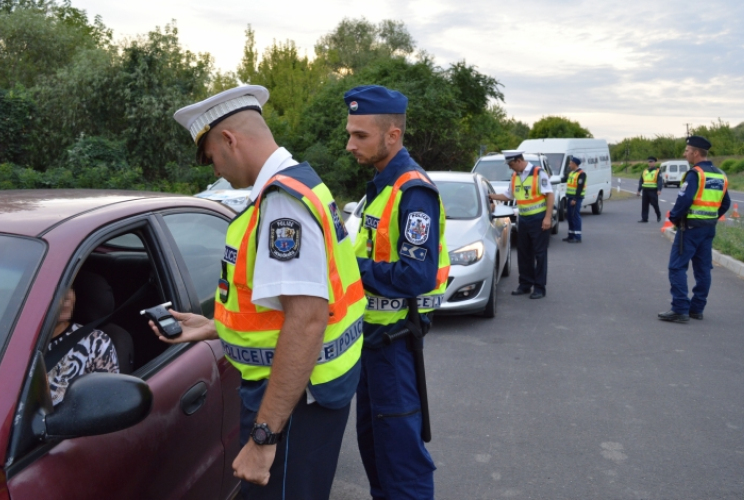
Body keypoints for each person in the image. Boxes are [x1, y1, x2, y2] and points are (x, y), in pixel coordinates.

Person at [165, 85, 365, 499]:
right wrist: (215, 327)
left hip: (291, 403)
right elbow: (278, 314)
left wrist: (263, 438)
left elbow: (307, 321)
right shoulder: (305, 184)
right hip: (313, 394)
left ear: (229, 140)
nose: (215, 170)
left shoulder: (281, 204)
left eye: (211, 158)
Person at [344, 85, 449, 500]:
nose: (349, 144)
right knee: (375, 452)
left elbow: (415, 275)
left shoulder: (412, 191)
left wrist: (347, 267)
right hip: (370, 342)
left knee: (402, 462)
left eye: (360, 135)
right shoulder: (381, 186)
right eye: (350, 133)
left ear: (393, 135)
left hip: (395, 346)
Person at [658, 136, 730, 322]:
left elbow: (684, 200)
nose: (685, 153)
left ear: (696, 153)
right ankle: (696, 309)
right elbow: (726, 203)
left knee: (677, 267)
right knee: (703, 269)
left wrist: (674, 218)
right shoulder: (720, 175)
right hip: (708, 228)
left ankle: (680, 309)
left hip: (689, 229)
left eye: (687, 150)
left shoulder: (695, 174)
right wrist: (711, 216)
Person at [489, 150, 555, 299]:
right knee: (524, 254)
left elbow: (550, 195)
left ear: (519, 161)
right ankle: (525, 284)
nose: (510, 168)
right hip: (523, 219)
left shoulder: (538, 173)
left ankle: (539, 288)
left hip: (539, 219)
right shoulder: (515, 176)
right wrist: (491, 196)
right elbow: (508, 195)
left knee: (539, 254)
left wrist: (548, 218)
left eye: (512, 164)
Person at [46, 287, 120, 406]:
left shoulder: (95, 342)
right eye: (55, 290)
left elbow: (108, 404)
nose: (67, 297)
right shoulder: (13, 342)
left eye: (69, 287)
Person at [562, 156, 586, 243]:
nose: (569, 165)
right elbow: (564, 180)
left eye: (570, 163)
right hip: (570, 197)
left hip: (576, 198)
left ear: (574, 164)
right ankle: (571, 235)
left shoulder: (581, 174)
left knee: (575, 217)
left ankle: (577, 236)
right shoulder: (571, 173)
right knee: (570, 216)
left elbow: (580, 187)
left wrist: (575, 199)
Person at [637, 156, 662, 223]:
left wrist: (659, 189)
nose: (650, 163)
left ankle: (658, 215)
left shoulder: (657, 171)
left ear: (654, 163)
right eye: (649, 162)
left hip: (653, 191)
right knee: (644, 205)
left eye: (651, 162)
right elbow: (641, 181)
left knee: (655, 204)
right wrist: (639, 190)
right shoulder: (645, 171)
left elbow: (659, 181)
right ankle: (644, 218)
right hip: (645, 190)